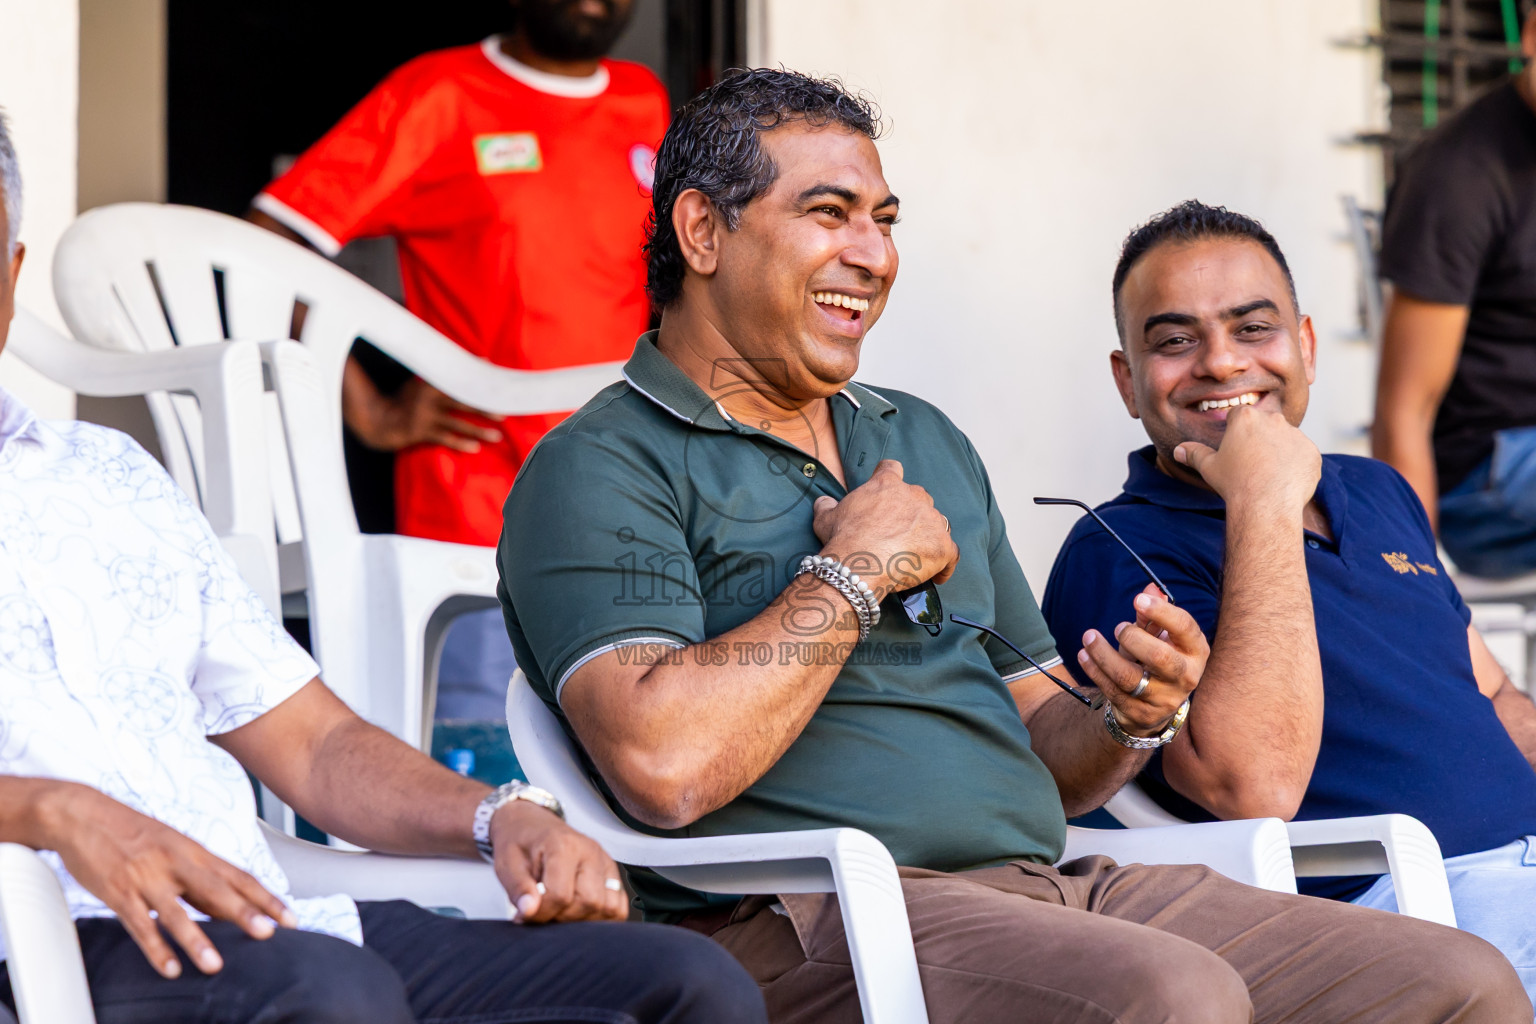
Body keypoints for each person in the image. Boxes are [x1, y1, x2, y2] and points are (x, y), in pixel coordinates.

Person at [497, 70, 1530, 1023]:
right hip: (807, 914)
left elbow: (1046, 738)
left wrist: (1129, 717)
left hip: (1050, 884)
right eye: (829, 213)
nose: (874, 252)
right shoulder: (602, 463)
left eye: (885, 220)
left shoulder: (921, 438)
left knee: (1458, 981)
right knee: (1175, 994)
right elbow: (661, 765)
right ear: (701, 232)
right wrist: (851, 575)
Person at [0, 110, 763, 1024]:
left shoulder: (109, 474)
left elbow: (316, 747)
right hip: (41, 943)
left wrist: (500, 816)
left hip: (270, 921)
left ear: (10, 273)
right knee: (333, 995)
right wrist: (46, 809)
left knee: (686, 984)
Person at [1042, 199, 1536, 1001]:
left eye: (1252, 329)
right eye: (1174, 341)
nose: (1221, 364)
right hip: (1403, 913)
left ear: (1304, 346)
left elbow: (1492, 692)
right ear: (1129, 381)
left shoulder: (1376, 489)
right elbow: (1252, 786)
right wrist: (1261, 500)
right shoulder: (1117, 548)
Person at [251, 0, 669, 716]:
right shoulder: (439, 94)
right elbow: (272, 243)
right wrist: (369, 410)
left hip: (624, 497)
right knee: (484, 762)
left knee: (620, 764)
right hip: (477, 504)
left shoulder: (643, 98)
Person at [1372, 0, 1536, 578]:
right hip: (1483, 481)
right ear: (1533, 36)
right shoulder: (1460, 176)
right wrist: (1415, 586)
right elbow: (1403, 410)